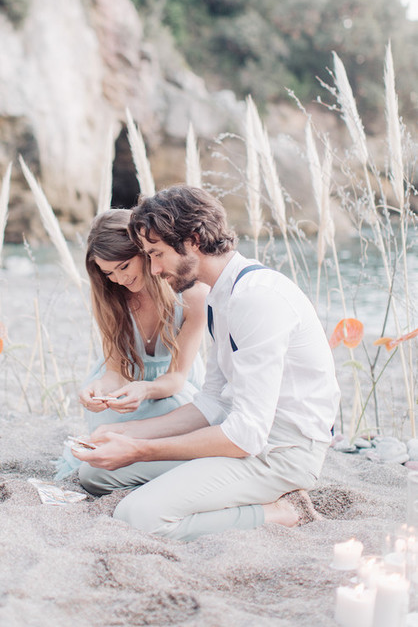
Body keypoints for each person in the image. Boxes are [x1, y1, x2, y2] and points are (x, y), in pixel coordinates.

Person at [72, 185, 340, 542]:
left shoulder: (257, 299)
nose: (152, 269)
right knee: (94, 474)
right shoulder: (220, 297)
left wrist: (141, 449)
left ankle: (280, 512)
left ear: (193, 239)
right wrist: (126, 433)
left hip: (280, 454)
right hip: (245, 441)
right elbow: (213, 402)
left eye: (157, 254)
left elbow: (246, 434)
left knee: (138, 515)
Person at [54, 207, 207, 478]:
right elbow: (114, 371)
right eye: (109, 273)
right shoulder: (111, 297)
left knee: (181, 421)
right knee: (105, 443)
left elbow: (177, 378)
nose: (120, 279)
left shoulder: (192, 297)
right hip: (124, 393)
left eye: (124, 266)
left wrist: (145, 390)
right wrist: (98, 387)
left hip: (171, 390)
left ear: (145, 251)